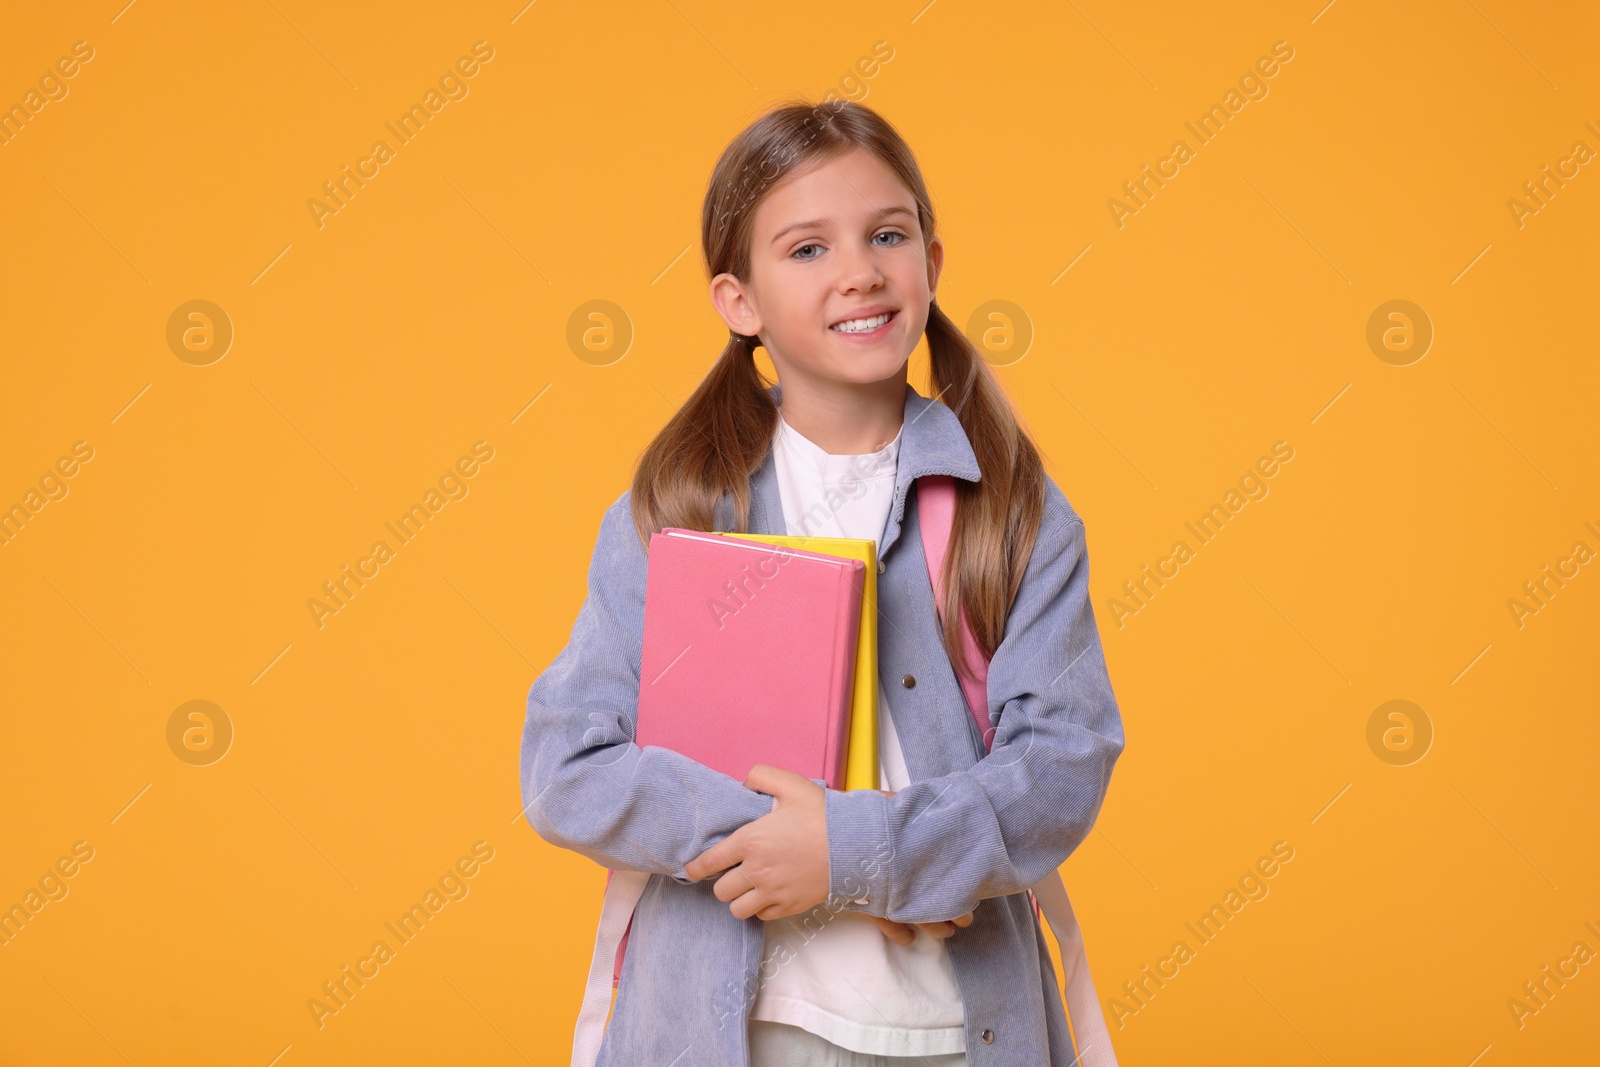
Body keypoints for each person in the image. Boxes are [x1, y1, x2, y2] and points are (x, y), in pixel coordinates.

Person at [520, 98, 1126, 1067]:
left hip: (951, 1031)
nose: (858, 271)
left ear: (931, 259)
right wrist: (781, 846)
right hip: (730, 1034)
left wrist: (858, 854)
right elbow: (566, 766)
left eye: (887, 235)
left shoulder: (1013, 512)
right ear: (739, 301)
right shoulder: (674, 512)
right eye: (806, 249)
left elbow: (1062, 765)